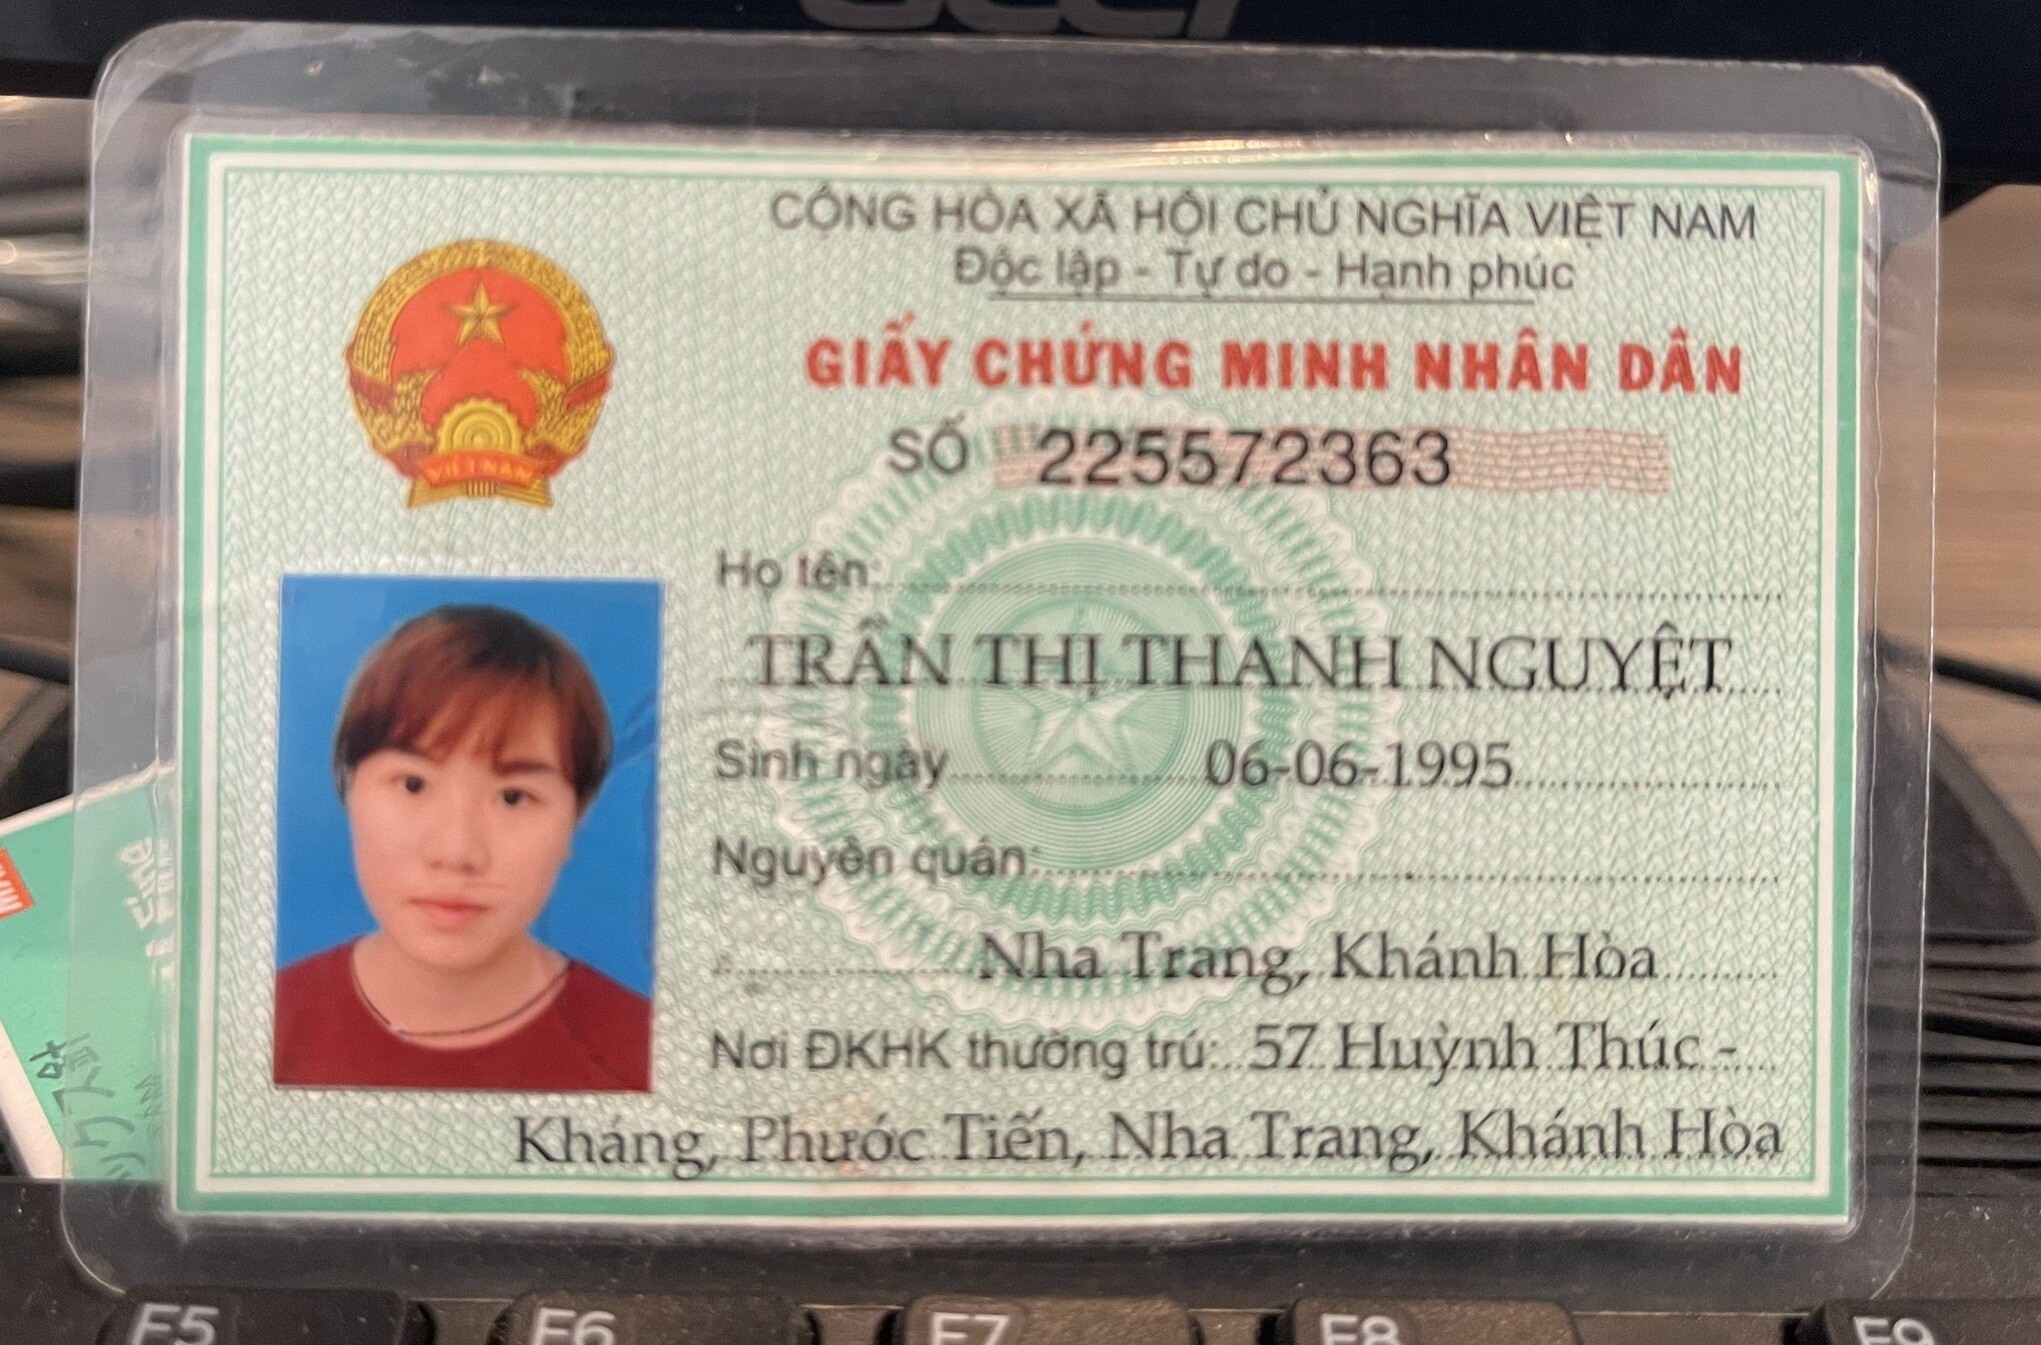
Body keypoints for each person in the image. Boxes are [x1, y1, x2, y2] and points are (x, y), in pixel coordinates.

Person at [274, 603, 651, 1091]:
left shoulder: (646, 1051)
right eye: (413, 785)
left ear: (574, 820)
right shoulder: (262, 1028)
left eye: (513, 797)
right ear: (348, 792)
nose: (456, 853)